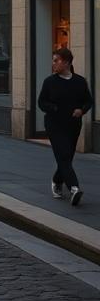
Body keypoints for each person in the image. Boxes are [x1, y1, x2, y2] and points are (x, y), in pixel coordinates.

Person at [38, 48, 93, 206]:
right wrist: (53, 108)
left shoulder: (80, 81)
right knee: (63, 155)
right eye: (53, 60)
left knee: (67, 157)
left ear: (67, 62)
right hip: (54, 124)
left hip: (73, 125)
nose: (53, 63)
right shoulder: (50, 82)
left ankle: (56, 180)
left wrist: (81, 110)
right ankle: (74, 188)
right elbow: (41, 102)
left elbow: (88, 101)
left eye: (57, 60)